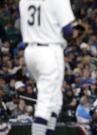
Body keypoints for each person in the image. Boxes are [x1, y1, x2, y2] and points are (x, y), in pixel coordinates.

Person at [19, 0, 78, 135]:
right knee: (45, 101)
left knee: (55, 99)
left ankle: (48, 132)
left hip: (30, 52)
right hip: (49, 51)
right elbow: (67, 31)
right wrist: (76, 32)